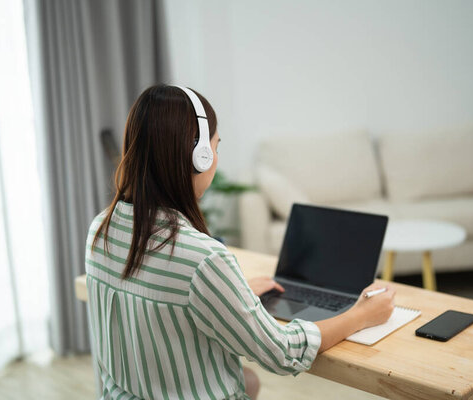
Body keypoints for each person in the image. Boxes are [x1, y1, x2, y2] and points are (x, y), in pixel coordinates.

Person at [85, 84, 396, 400]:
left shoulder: (101, 229)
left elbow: (159, 294)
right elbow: (281, 352)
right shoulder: (203, 259)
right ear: (199, 158)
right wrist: (361, 316)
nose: (216, 158)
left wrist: (230, 293)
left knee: (248, 380)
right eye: (216, 147)